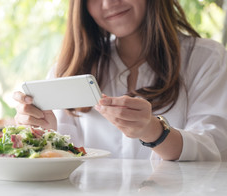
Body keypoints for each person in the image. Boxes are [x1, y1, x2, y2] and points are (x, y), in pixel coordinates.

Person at [13, 0, 227, 161]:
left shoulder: (206, 58)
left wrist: (154, 132)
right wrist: (43, 134)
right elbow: (62, 160)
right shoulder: (68, 69)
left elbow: (214, 148)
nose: (109, 3)